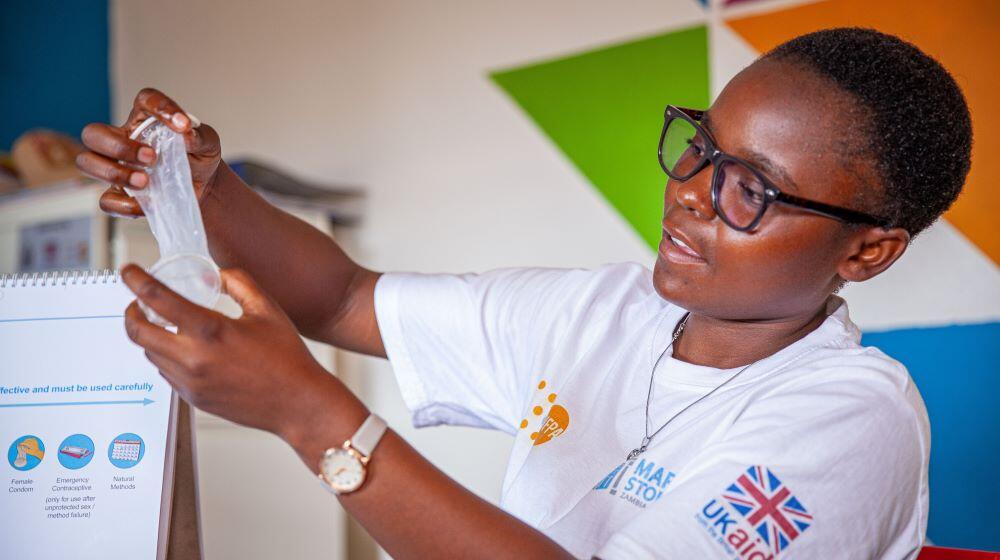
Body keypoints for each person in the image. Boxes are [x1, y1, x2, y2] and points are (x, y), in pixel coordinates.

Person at [76, 27, 972, 559]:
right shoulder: (612, 313)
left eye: (754, 189)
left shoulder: (854, 418)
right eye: (702, 145)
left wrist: (315, 418)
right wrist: (207, 192)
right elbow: (346, 297)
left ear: (868, 252)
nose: (693, 190)